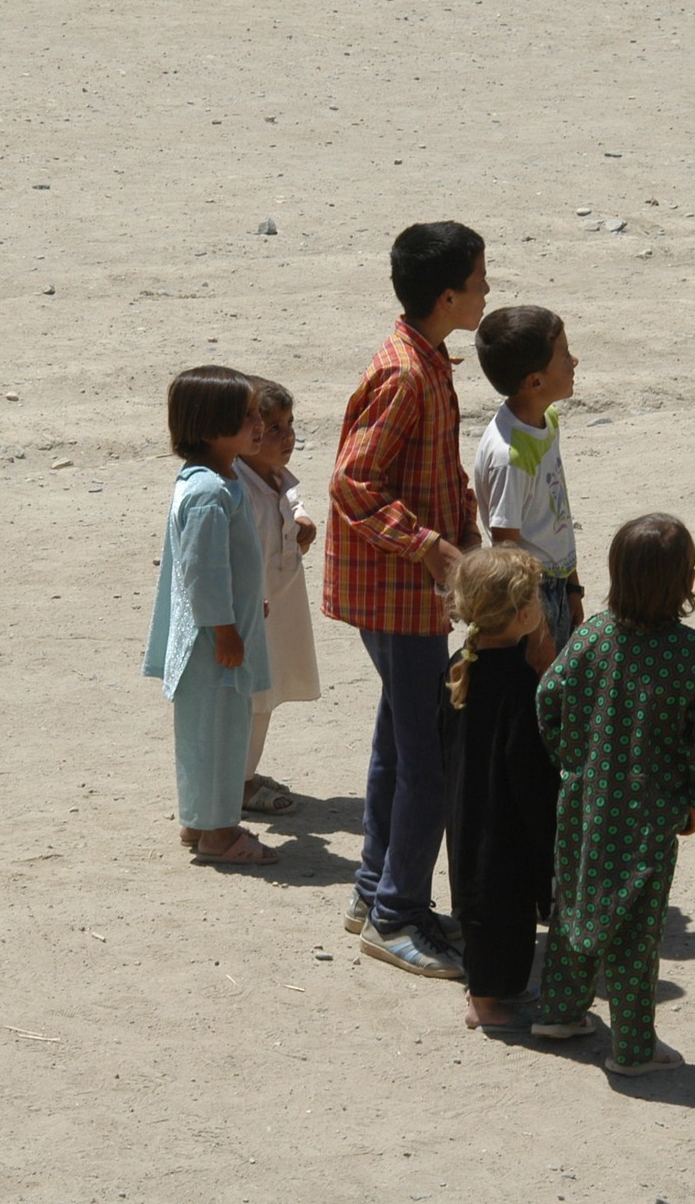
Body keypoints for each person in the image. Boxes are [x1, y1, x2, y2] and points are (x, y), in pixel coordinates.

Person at [323, 220, 488, 978]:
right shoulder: (405, 373)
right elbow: (355, 483)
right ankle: (397, 917)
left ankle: (375, 893)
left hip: (407, 593)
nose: (488, 292)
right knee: (430, 764)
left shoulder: (427, 361)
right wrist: (430, 547)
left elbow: (434, 471)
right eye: (481, 281)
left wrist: (466, 538)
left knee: (400, 743)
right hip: (396, 592)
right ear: (448, 295)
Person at [532, 514, 695, 1075]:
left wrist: (573, 761)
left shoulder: (594, 635)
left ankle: (559, 1010)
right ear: (688, 579)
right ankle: (634, 1048)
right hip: (650, 818)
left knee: (574, 903)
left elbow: (548, 697)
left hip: (584, 806)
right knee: (636, 930)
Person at [144, 366, 278, 866]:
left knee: (207, 734)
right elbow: (202, 571)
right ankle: (220, 834)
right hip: (214, 644)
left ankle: (200, 821)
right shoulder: (208, 492)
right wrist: (226, 629)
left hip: (216, 635)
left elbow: (225, 563)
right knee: (221, 736)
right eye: (244, 417)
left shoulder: (217, 481)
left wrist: (248, 599)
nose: (257, 423)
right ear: (207, 426)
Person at [440, 545, 560, 1031]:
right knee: (503, 914)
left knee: (480, 907)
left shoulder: (460, 666)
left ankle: (487, 988)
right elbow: (528, 766)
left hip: (468, 812)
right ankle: (486, 1004)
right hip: (503, 823)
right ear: (525, 613)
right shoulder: (519, 683)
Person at [471, 304, 584, 649]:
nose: (574, 361)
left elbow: (556, 515)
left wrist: (573, 588)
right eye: (564, 355)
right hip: (531, 596)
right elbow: (507, 550)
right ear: (535, 381)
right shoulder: (511, 457)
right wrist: (535, 629)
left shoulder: (546, 420)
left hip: (558, 584)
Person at [235, 377, 323, 817]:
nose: (287, 436)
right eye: (273, 428)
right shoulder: (236, 486)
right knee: (253, 694)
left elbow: (292, 499)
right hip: (255, 607)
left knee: (269, 691)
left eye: (289, 424)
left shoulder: (275, 476)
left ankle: (244, 774)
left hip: (282, 601)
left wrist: (303, 522)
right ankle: (239, 784)